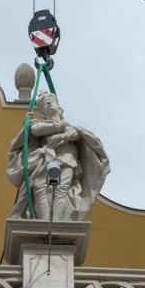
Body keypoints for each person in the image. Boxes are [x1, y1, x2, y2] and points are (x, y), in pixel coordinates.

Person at [7, 91, 110, 221]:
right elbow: (36, 131)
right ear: (42, 112)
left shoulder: (69, 127)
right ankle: (44, 221)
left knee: (61, 190)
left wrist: (62, 136)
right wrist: (59, 126)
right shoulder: (37, 124)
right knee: (40, 189)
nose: (48, 104)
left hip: (67, 158)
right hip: (46, 159)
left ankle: (57, 222)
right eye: (45, 104)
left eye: (51, 102)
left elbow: (76, 134)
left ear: (59, 108)